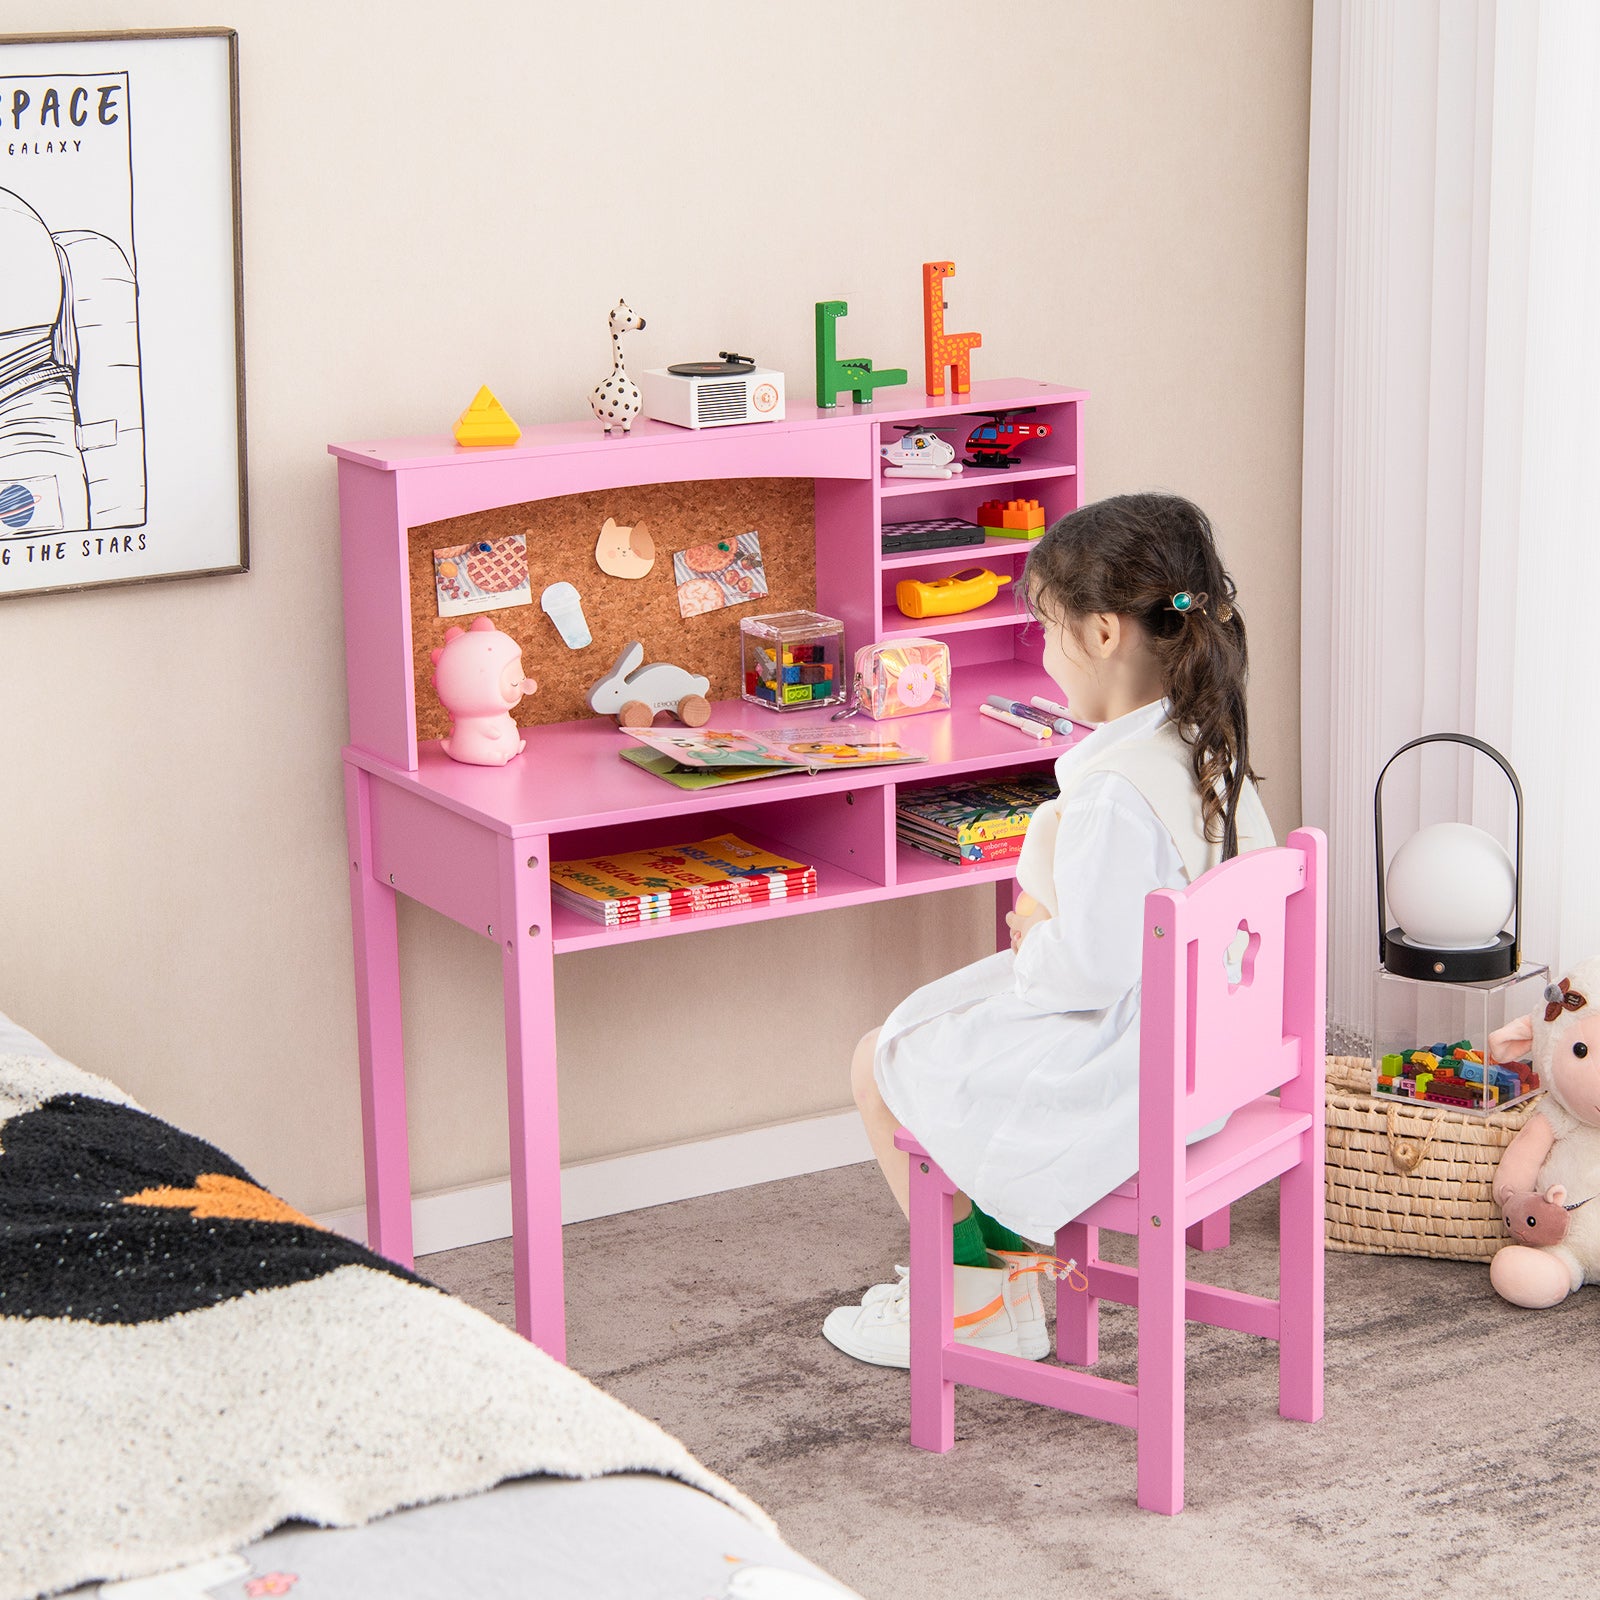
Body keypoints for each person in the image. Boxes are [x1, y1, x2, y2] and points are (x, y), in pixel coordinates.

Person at [823, 493, 1276, 1367]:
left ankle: (972, 1299)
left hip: (1133, 1058)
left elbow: (1089, 973)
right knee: (950, 1040)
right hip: (1208, 1048)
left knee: (887, 1056)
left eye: (1046, 628)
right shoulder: (1206, 737)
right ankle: (1007, 1280)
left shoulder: (1116, 794)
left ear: (1103, 635)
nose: (1042, 649)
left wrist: (1033, 931)